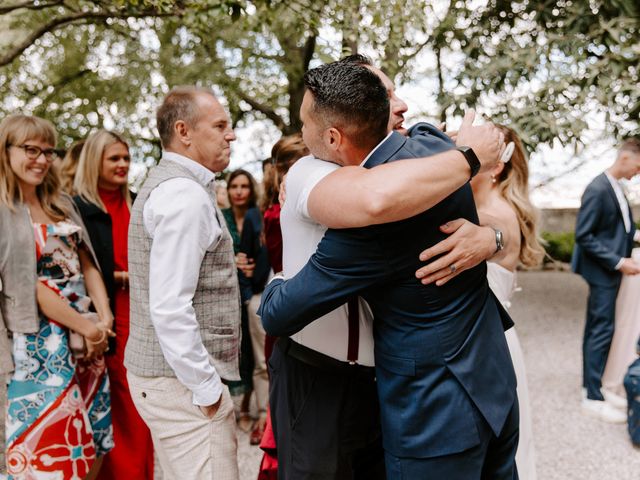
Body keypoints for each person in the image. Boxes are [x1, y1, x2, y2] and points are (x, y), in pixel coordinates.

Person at [259, 61, 518, 479]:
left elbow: (279, 313)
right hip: (492, 383)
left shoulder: (369, 226)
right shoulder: (432, 141)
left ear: (331, 136)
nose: (300, 133)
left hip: (434, 414)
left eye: (304, 122)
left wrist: (276, 279)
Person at [124, 86, 241, 479]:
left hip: (169, 378)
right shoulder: (184, 196)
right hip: (181, 383)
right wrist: (207, 390)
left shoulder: (175, 186)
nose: (232, 134)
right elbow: (171, 306)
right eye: (221, 125)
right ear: (184, 131)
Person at [0, 114, 114, 479]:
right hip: (39, 345)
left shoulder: (63, 202)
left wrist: (104, 316)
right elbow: (26, 284)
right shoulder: (3, 211)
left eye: (48, 151)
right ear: (6, 150)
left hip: (88, 336)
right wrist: (89, 326)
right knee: (49, 451)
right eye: (30, 149)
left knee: (93, 439)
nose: (41, 159)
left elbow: (89, 263)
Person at [73, 129, 154, 479]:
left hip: (141, 318)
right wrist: (120, 278)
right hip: (101, 320)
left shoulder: (138, 202)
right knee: (107, 409)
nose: (123, 165)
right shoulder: (76, 207)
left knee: (140, 408)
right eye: (114, 158)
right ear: (95, 161)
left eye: (126, 158)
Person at [470, 124, 545, 480]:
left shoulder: (490, 217)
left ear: (495, 166)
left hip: (486, 343)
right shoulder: (486, 208)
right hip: (492, 339)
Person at [572, 137, 640, 422]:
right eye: (638, 166)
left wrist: (634, 238)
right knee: (600, 330)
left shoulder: (615, 186)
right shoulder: (598, 188)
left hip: (608, 271)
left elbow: (617, 227)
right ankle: (592, 394)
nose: (638, 172)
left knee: (600, 327)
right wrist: (618, 261)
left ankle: (595, 384)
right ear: (625, 158)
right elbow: (583, 235)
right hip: (602, 272)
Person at [222, 169, 270, 444]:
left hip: (252, 291)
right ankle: (239, 406)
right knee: (238, 354)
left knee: (256, 355)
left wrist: (253, 271)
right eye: (233, 186)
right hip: (228, 294)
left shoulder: (258, 215)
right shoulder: (221, 217)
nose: (239, 191)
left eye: (244, 186)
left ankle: (255, 409)